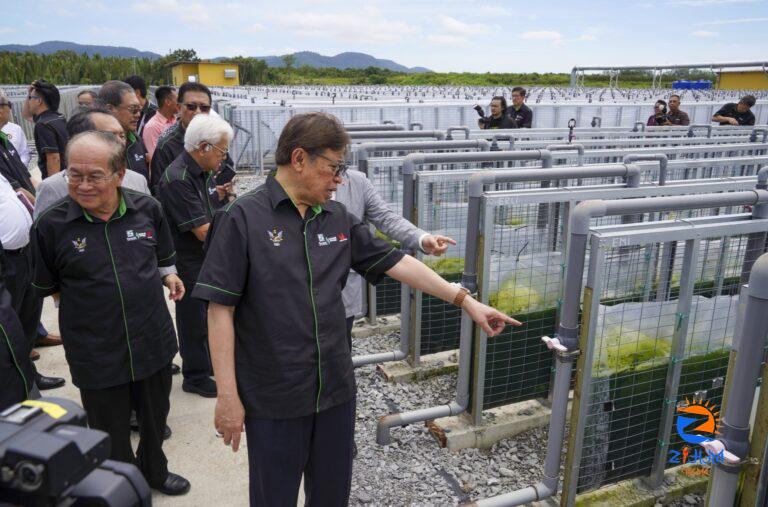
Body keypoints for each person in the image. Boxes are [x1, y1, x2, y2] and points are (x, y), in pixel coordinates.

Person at [193, 112, 520, 506]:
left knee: (332, 493)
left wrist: (466, 301)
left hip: (334, 387)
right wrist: (228, 397)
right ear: (299, 159)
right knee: (273, 496)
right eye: (333, 167)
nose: (339, 180)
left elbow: (396, 261)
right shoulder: (241, 218)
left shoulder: (336, 218)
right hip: (274, 394)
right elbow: (220, 310)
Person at [31, 131, 190, 495]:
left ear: (119, 174)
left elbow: (163, 256)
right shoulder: (51, 225)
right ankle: (123, 484)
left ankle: (155, 469)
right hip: (95, 347)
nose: (82, 185)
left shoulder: (147, 209)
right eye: (74, 175)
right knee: (109, 427)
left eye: (94, 176)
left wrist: (170, 276)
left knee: (155, 418)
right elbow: (46, 284)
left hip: (151, 337)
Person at [156, 114, 234, 398]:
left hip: (205, 257)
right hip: (189, 259)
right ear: (204, 147)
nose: (224, 158)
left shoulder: (201, 174)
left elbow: (210, 209)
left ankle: (207, 363)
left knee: (206, 315)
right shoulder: (179, 179)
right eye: (222, 151)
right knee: (192, 318)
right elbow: (202, 230)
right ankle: (195, 375)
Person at [0, 170, 65, 391]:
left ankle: (29, 378)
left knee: (28, 319)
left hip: (24, 254)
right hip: (6, 261)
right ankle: (17, 387)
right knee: (9, 327)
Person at [34, 106, 150, 218]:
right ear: (81, 139)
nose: (119, 142)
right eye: (110, 136)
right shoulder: (53, 189)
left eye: (122, 136)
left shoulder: (138, 180)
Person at [150, 82, 234, 191]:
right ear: (179, 108)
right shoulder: (165, 146)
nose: (198, 112)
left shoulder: (216, 136)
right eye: (191, 106)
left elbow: (228, 167)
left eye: (204, 108)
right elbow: (158, 190)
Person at [99, 80, 151, 181]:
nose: (138, 115)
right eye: (133, 109)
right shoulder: (96, 146)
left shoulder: (136, 141)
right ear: (110, 109)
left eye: (139, 109)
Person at [22, 80, 68, 178]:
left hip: (58, 181)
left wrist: (52, 187)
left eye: (30, 98)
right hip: (67, 176)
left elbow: (54, 158)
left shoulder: (43, 125)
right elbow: (26, 115)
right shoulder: (58, 117)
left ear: (39, 101)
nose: (29, 100)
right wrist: (29, 94)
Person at [0, 91, 35, 197]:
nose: (10, 110)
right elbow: (16, 189)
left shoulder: (5, 140)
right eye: (9, 105)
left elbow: (25, 173)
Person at [142, 86, 177, 158]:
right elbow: (155, 158)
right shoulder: (152, 127)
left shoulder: (176, 120)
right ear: (167, 102)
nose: (180, 103)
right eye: (178, 100)